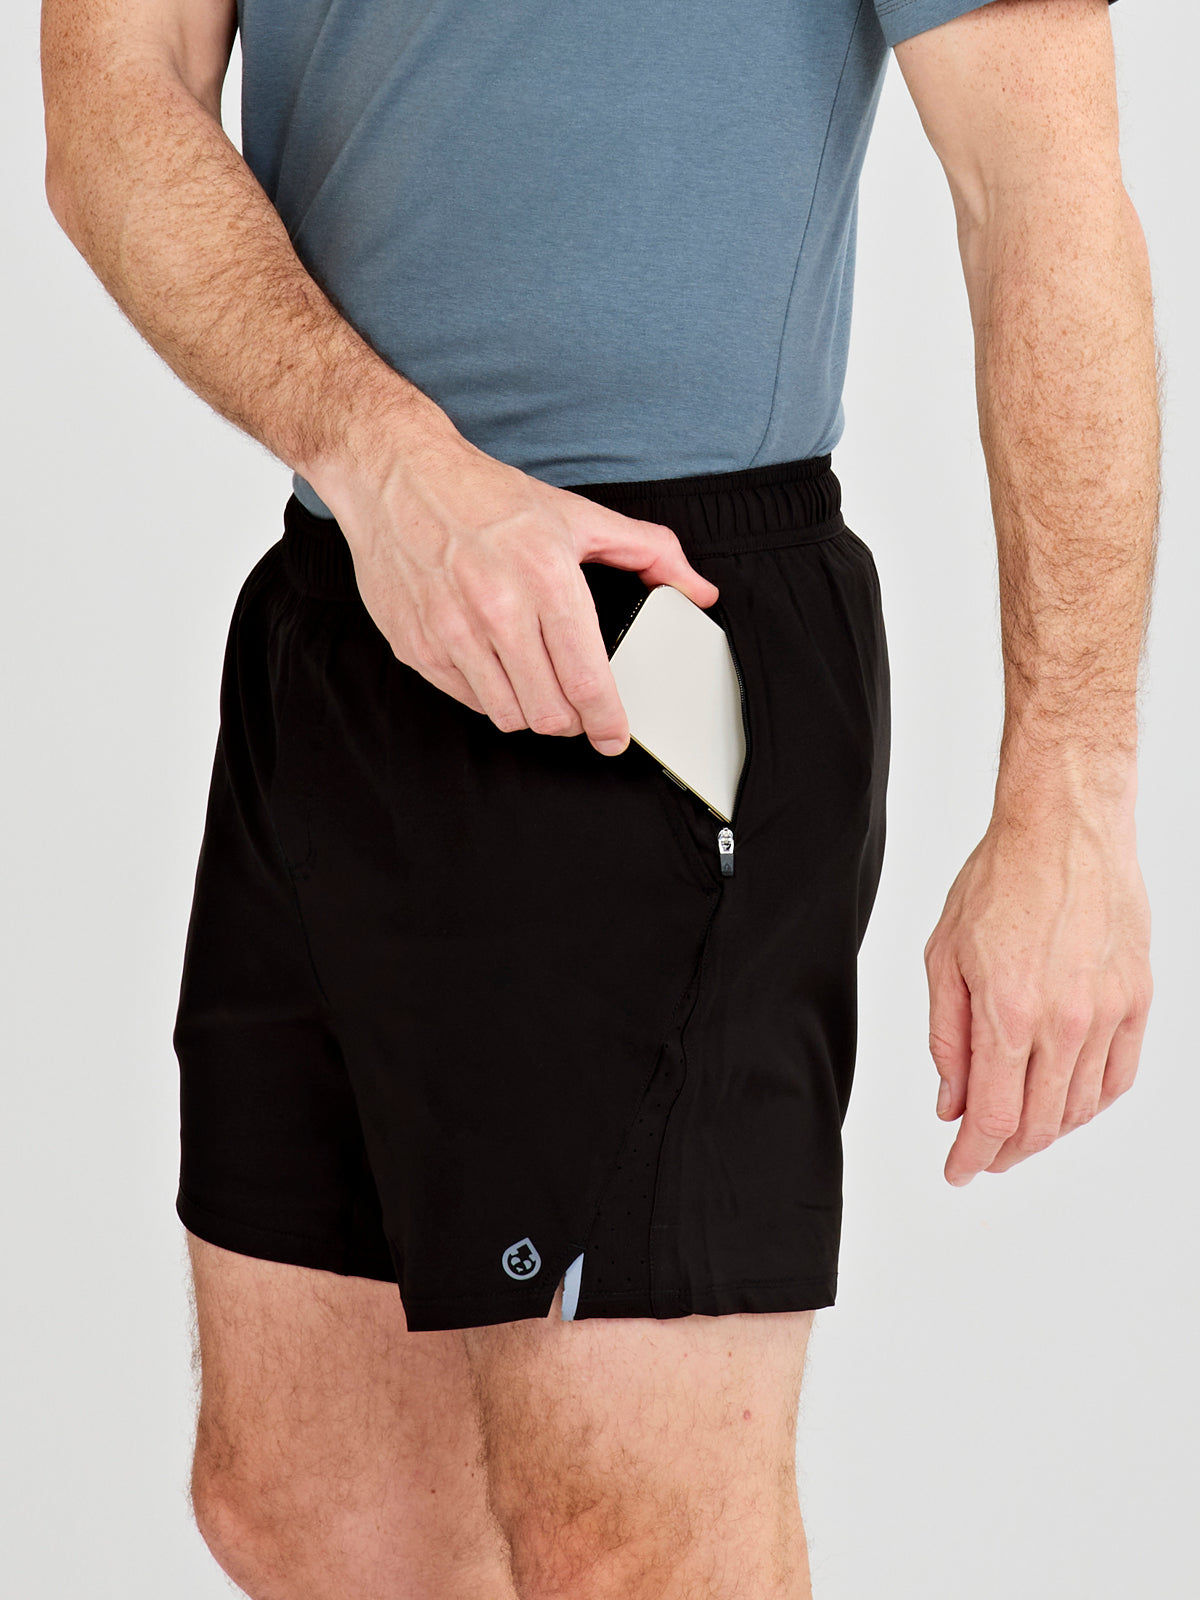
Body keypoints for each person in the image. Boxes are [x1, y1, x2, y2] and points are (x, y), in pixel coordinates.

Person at [41, 0, 1157, 1593]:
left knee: (632, 1547)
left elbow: (1039, 189)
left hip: (650, 637)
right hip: (347, 573)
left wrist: (1073, 796)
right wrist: (380, 460)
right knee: (311, 1510)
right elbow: (111, 96)